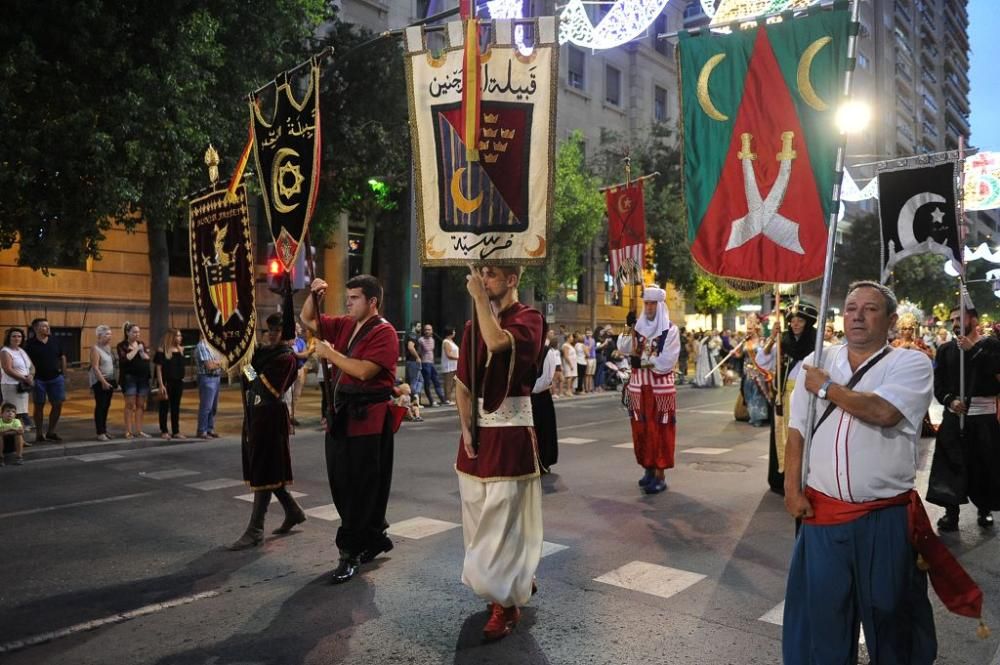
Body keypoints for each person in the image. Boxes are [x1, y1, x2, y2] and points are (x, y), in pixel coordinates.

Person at [781, 281, 944, 664]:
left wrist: (827, 389)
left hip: (883, 517)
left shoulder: (910, 363)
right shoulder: (817, 360)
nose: (857, 314)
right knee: (824, 615)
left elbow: (884, 411)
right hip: (824, 514)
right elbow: (797, 429)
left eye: (870, 309)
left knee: (890, 614)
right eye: (851, 307)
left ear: (889, 321)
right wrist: (792, 488)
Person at [455, 264, 543, 641]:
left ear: (512, 280)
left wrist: (477, 298)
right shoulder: (475, 323)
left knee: (502, 524)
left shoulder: (529, 319)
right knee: (477, 520)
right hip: (477, 438)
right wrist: (465, 429)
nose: (483, 281)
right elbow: (461, 383)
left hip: (511, 436)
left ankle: (505, 605)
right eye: (481, 275)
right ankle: (513, 580)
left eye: (490, 275)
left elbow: (496, 343)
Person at [302, 274, 398, 584]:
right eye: (347, 297)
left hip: (368, 418)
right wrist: (313, 295)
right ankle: (372, 536)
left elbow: (364, 370)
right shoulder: (345, 324)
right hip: (342, 414)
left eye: (354, 297)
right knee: (341, 482)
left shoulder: (385, 332)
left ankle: (350, 551)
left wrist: (331, 354)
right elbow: (308, 319)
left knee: (360, 486)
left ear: (372, 302)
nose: (348, 302)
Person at [228, 311, 306, 550]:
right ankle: (292, 511)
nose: (272, 334)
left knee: (264, 469)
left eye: (277, 330)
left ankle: (256, 529)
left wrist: (247, 368)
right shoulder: (264, 352)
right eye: (270, 330)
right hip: (256, 415)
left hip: (270, 418)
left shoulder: (286, 358)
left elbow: (263, 388)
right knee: (267, 467)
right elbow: (251, 375)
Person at [927, 305, 1000, 532]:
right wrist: (949, 400)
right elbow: (938, 384)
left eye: (960, 318)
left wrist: (974, 352)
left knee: (984, 464)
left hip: (983, 418)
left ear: (974, 320)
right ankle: (951, 512)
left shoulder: (992, 346)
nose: (956, 323)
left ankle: (984, 508)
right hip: (955, 415)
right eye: (953, 319)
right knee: (951, 464)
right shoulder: (946, 349)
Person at [618, 287, 681, 494]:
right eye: (647, 303)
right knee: (641, 430)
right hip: (638, 388)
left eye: (653, 303)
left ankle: (660, 473)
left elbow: (666, 361)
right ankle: (647, 467)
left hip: (660, 390)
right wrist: (628, 327)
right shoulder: (638, 327)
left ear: (660, 305)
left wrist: (643, 359)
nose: (649, 307)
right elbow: (624, 347)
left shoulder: (670, 330)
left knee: (661, 431)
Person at [757, 299, 818, 495]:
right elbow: (762, 362)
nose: (795, 324)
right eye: (792, 320)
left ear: (808, 322)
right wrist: (771, 338)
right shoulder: (781, 341)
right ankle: (781, 479)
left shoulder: (818, 343)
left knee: (805, 436)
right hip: (783, 397)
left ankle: (806, 479)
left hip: (808, 397)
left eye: (800, 320)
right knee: (783, 437)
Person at [891, 310, 937, 437]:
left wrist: (916, 349)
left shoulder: (918, 343)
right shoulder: (895, 344)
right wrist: (900, 349)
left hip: (916, 380)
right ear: (900, 329)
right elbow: (887, 359)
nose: (907, 332)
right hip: (899, 379)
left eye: (910, 329)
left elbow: (931, 356)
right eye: (904, 329)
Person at [24, 317, 67, 442]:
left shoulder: (55, 340)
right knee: (39, 406)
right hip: (38, 380)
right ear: (36, 328)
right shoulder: (29, 344)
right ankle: (39, 433)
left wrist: (63, 374)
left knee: (58, 404)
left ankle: (51, 431)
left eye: (48, 326)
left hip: (56, 378)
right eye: (44, 326)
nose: (48, 328)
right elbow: (26, 362)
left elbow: (62, 356)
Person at [532, 328, 561, 471]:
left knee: (542, 431)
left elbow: (547, 378)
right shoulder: (523, 349)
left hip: (540, 397)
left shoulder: (546, 351)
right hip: (527, 396)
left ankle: (543, 462)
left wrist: (530, 389)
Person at [118, 322, 151, 439]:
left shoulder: (141, 344)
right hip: (129, 378)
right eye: (134, 332)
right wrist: (137, 349)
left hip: (143, 378)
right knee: (130, 404)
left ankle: (139, 430)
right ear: (127, 333)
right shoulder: (122, 345)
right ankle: (128, 430)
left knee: (140, 405)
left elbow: (147, 358)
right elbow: (127, 358)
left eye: (138, 332)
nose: (137, 334)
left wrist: (142, 351)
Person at [735, 316, 770, 427]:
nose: (748, 331)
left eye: (750, 328)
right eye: (747, 328)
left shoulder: (762, 341)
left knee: (757, 394)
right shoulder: (745, 341)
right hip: (747, 371)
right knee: (748, 393)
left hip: (758, 371)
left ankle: (759, 416)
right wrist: (737, 349)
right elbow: (739, 355)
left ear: (756, 329)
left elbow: (765, 355)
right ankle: (752, 414)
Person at [154, 328, 188, 440]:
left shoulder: (180, 349)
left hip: (178, 382)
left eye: (180, 335)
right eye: (178, 336)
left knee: (176, 407)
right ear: (172, 337)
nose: (180, 338)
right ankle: (164, 430)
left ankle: (176, 431)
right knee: (164, 407)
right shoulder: (162, 350)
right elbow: (158, 369)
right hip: (167, 382)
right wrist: (161, 384)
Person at [1, 328, 35, 432]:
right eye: (14, 336)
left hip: (23, 386)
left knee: (20, 412)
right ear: (9, 338)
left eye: (19, 336)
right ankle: (10, 440)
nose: (17, 338)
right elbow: (8, 369)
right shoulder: (5, 351)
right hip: (11, 385)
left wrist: (31, 376)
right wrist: (24, 378)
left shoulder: (21, 350)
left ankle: (20, 439)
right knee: (11, 413)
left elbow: (32, 366)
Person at [88, 325, 116, 441]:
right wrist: (103, 382)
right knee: (101, 406)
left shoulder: (109, 348)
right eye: (107, 334)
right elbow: (95, 367)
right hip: (100, 381)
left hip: (109, 380)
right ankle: (100, 432)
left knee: (106, 406)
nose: (110, 336)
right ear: (99, 336)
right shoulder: (95, 348)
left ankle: (104, 430)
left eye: (110, 334)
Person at [194, 331, 223, 439]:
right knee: (206, 406)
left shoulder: (213, 346)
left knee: (213, 407)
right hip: (207, 378)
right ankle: (202, 430)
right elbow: (210, 365)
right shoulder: (202, 346)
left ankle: (210, 428)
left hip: (216, 377)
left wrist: (218, 362)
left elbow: (223, 360)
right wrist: (220, 362)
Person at [419, 323, 448, 406]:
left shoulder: (432, 340)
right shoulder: (421, 340)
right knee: (427, 383)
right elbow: (424, 350)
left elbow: (431, 350)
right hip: (425, 363)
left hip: (431, 363)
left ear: (432, 331)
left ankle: (442, 399)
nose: (427, 331)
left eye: (429, 330)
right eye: (426, 330)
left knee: (436, 381)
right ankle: (431, 401)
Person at [405, 322, 423, 402]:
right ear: (413, 327)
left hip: (412, 361)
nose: (420, 328)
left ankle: (416, 398)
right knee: (414, 382)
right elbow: (411, 347)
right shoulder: (413, 335)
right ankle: (414, 400)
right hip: (413, 361)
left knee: (420, 380)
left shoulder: (413, 335)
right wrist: (417, 357)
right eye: (418, 326)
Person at [441, 326, 460, 403]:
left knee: (453, 382)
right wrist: (459, 358)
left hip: (454, 365)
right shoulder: (446, 342)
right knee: (448, 382)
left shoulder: (451, 341)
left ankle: (449, 398)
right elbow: (448, 355)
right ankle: (447, 399)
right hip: (449, 366)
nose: (454, 333)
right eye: (453, 331)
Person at [560, 333, 577, 398]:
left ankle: (570, 389)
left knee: (573, 376)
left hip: (573, 363)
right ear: (568, 338)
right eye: (572, 337)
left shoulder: (570, 345)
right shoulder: (565, 345)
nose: (572, 338)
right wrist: (570, 365)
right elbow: (566, 356)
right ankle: (568, 390)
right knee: (569, 377)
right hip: (568, 363)